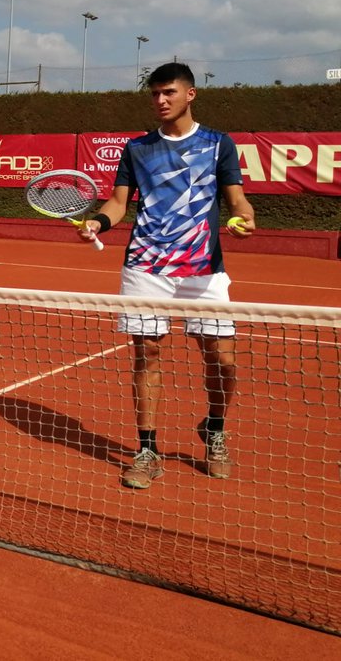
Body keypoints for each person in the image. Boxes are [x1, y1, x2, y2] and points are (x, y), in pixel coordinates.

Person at [79, 61, 255, 491]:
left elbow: (237, 199)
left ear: (190, 94)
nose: (160, 100)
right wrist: (98, 222)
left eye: (169, 92)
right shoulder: (137, 148)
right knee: (148, 354)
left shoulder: (218, 144)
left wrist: (244, 218)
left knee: (223, 358)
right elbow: (118, 202)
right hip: (146, 267)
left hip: (203, 270)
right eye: (155, 93)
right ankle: (147, 450)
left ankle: (214, 428)